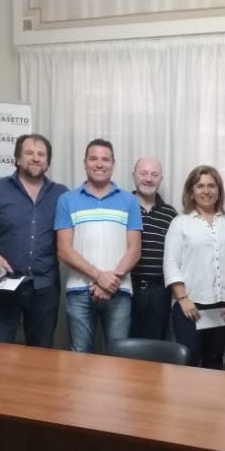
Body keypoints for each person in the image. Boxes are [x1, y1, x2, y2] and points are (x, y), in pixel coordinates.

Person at [0, 134, 68, 347]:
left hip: (44, 287)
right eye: (29, 153)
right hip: (2, 284)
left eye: (41, 154)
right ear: (18, 158)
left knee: (41, 355)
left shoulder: (61, 195)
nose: (36, 158)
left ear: (48, 161)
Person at [55, 139, 142, 353]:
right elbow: (64, 250)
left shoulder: (129, 201)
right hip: (79, 291)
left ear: (113, 164)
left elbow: (135, 249)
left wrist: (110, 281)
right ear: (85, 163)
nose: (99, 164)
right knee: (80, 357)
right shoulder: (67, 200)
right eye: (93, 159)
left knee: (118, 357)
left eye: (105, 159)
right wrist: (99, 276)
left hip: (119, 290)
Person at [163, 166, 225, 369]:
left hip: (222, 307)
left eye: (212, 185)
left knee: (214, 361)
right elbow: (170, 263)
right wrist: (183, 299)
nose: (206, 191)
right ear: (191, 192)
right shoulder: (180, 223)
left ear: (219, 190)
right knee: (189, 361)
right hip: (190, 306)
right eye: (200, 186)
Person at [129, 157, 178, 339]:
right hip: (126, 289)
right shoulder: (122, 206)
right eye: (144, 173)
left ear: (161, 179)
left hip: (160, 292)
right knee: (124, 346)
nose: (149, 179)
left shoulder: (170, 214)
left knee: (156, 345)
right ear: (134, 175)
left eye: (154, 174)